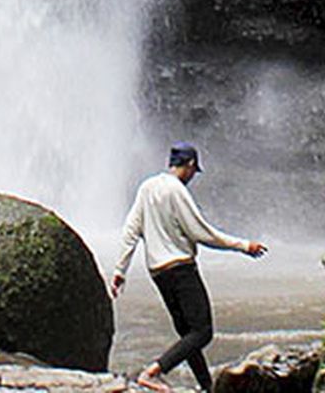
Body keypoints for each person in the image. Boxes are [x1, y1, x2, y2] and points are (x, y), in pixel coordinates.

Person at [110, 142, 267, 393]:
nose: (193, 176)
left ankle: (207, 387)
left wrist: (120, 270)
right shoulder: (176, 190)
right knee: (203, 332)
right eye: (194, 171)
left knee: (188, 335)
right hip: (181, 269)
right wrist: (243, 245)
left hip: (158, 273)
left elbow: (131, 230)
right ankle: (153, 372)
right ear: (190, 165)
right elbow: (201, 232)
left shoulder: (147, 187)